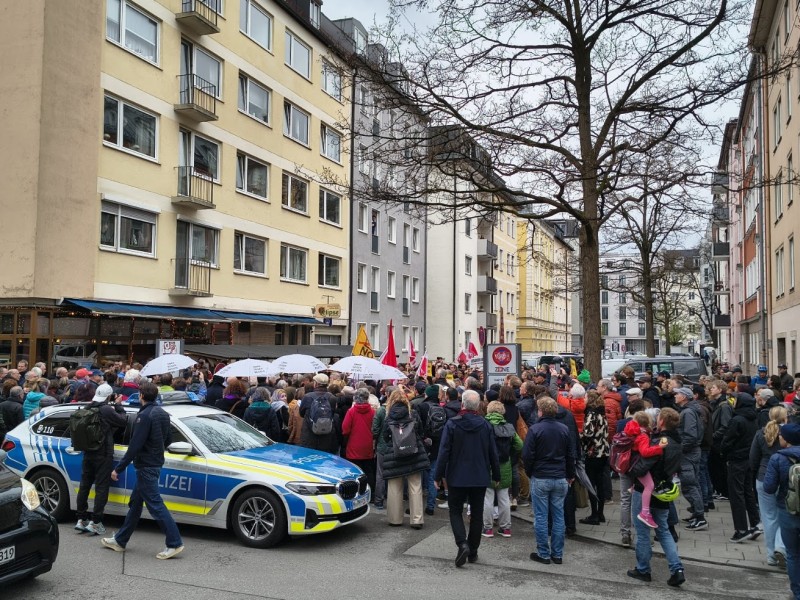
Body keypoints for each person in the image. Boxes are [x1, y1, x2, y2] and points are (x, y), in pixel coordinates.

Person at [101, 381, 184, 559]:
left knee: (155, 505)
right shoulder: (162, 413)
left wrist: (119, 468)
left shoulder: (144, 416)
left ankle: (174, 542)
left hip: (145, 465)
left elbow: (135, 445)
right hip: (154, 462)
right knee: (136, 504)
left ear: (141, 396)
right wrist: (156, 449)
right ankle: (120, 540)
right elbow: (168, 439)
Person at [435, 390, 500, 567]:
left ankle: (462, 543)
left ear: (463, 404)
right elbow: (492, 452)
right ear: (478, 405)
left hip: (457, 475)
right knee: (477, 514)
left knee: (455, 510)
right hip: (479, 475)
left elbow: (444, 451)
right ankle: (473, 550)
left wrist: (438, 475)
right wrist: (497, 473)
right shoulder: (485, 425)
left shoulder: (452, 424)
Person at [626, 407, 686, 587]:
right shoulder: (678, 442)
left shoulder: (660, 442)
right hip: (664, 491)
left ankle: (643, 569)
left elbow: (644, 465)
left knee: (643, 532)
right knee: (664, 530)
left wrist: (631, 470)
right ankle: (677, 569)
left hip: (645, 490)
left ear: (661, 422)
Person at [523, 397, 576, 565]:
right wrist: (570, 474)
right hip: (560, 476)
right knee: (559, 516)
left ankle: (544, 553)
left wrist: (531, 472)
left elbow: (527, 455)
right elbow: (570, 454)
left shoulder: (535, 429)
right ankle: (557, 554)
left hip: (541, 476)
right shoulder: (564, 429)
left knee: (541, 516)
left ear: (541, 411)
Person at [74, 384, 128, 536]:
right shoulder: (106, 409)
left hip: (88, 452)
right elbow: (123, 421)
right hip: (103, 453)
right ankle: (96, 522)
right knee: (101, 487)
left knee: (84, 485)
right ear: (109, 396)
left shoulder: (88, 407)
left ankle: (81, 519)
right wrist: (119, 406)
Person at [380, 389, 429, 529]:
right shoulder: (412, 413)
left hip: (394, 454)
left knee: (395, 486)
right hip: (413, 452)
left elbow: (385, 436)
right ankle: (417, 519)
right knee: (415, 486)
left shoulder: (388, 416)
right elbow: (420, 431)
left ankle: (395, 519)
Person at [763, 422, 800, 598]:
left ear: (786, 439)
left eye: (781, 436)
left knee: (792, 554)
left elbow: (769, 488)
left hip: (787, 509)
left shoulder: (778, 458)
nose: (779, 438)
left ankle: (797, 591)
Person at [721, 393, 761, 542]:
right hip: (748, 459)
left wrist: (723, 451)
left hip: (736, 459)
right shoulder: (753, 418)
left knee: (736, 494)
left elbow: (728, 440)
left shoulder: (737, 419)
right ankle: (756, 524)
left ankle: (741, 529)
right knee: (748, 492)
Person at [751, 405, 788, 567]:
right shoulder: (789, 434)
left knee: (768, 517)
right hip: (785, 477)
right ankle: (781, 547)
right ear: (785, 417)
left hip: (764, 477)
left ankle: (771, 555)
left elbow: (753, 459)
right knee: (785, 514)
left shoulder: (761, 433)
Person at [482, 401, 523, 538]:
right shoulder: (508, 427)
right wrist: (510, 454)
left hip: (487, 466)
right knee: (504, 498)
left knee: (487, 498)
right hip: (505, 465)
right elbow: (519, 445)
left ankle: (487, 528)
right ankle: (505, 528)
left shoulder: (483, 425)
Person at [624, 412, 668, 528]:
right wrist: (659, 448)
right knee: (650, 486)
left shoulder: (634, 431)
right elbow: (644, 452)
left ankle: (632, 487)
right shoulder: (643, 435)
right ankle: (645, 512)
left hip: (632, 464)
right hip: (638, 465)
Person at [673, 387, 708, 531]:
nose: (675, 396)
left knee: (690, 484)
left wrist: (681, 449)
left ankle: (700, 518)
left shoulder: (687, 412)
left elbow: (690, 436)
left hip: (688, 454)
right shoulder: (690, 411)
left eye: (678, 394)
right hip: (691, 452)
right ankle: (696, 512)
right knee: (692, 483)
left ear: (684, 397)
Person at [579, 390, 609, 526]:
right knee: (600, 483)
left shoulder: (591, 413)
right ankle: (601, 513)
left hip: (593, 452)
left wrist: (578, 436)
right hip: (603, 451)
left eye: (585, 397)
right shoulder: (602, 412)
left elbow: (588, 433)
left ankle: (594, 515)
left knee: (591, 483)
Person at [341, 388, 376, 500]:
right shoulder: (372, 412)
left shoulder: (351, 412)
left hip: (353, 445)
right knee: (369, 471)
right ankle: (371, 494)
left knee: (355, 472)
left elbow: (345, 429)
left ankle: (355, 494)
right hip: (368, 446)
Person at [299, 373, 339, 454]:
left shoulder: (307, 397)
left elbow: (301, 413)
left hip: (309, 434)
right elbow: (333, 413)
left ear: (316, 384)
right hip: (326, 435)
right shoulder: (332, 398)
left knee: (308, 458)